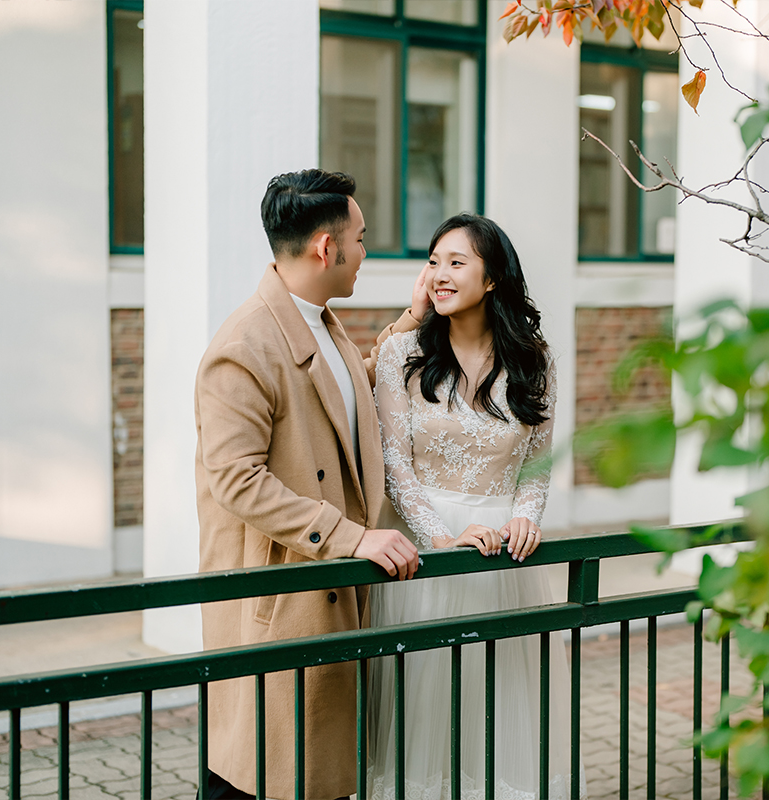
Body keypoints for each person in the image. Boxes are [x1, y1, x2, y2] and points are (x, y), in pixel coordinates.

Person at [194, 169, 426, 800]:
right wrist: (351, 537)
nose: (366, 251)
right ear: (328, 247)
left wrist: (413, 319)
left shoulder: (320, 321)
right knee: (258, 775)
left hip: (325, 597)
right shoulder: (243, 346)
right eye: (361, 237)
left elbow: (348, 388)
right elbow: (236, 480)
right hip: (279, 608)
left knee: (314, 777)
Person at [368, 214, 584, 799]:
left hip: (503, 561)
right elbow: (394, 468)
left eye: (456, 262)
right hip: (425, 554)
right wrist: (440, 540)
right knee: (426, 707)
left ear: (493, 279)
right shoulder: (400, 354)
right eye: (434, 261)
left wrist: (524, 518)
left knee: (499, 705)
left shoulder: (534, 361)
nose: (439, 274)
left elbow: (536, 463)